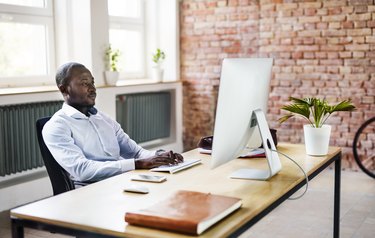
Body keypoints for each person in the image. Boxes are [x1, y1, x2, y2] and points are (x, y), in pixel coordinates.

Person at [43, 62, 183, 183]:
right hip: (90, 191)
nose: (93, 88)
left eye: (92, 82)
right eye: (85, 83)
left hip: (121, 181)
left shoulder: (104, 119)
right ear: (64, 89)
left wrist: (159, 156)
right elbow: (82, 170)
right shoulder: (56, 126)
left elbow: (135, 153)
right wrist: (138, 164)